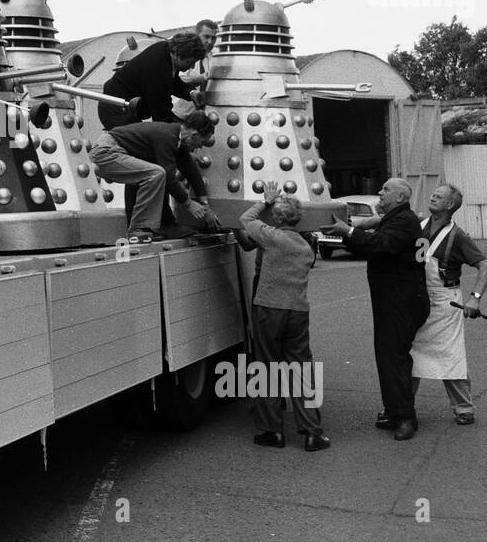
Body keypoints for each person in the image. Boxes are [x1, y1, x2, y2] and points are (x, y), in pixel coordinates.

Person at [321, 177, 430, 441]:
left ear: (401, 197)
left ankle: (406, 418)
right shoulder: (396, 218)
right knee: (387, 358)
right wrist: (348, 233)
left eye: (385, 190)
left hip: (402, 302)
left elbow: (379, 246)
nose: (379, 193)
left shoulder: (404, 221)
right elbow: (372, 245)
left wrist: (347, 232)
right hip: (393, 301)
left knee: (395, 359)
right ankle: (395, 411)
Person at [238, 181, 329, 451]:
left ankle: (272, 431)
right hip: (298, 311)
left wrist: (265, 201)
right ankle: (313, 432)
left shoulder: (270, 237)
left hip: (269, 308)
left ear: (276, 218)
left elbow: (245, 219)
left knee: (266, 367)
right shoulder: (306, 248)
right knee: (301, 370)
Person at [412, 183, 487, 425]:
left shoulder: (458, 236)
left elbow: (486, 266)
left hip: (445, 302)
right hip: (417, 300)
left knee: (451, 355)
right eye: (433, 193)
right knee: (408, 353)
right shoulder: (419, 226)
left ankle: (464, 408)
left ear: (450, 205)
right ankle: (402, 406)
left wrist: (475, 298)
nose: (433, 196)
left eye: (440, 195)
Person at [91, 111, 219, 241]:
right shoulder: (167, 136)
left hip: (113, 150)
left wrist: (205, 206)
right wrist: (189, 203)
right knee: (156, 173)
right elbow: (169, 177)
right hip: (105, 152)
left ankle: (154, 225)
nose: (201, 146)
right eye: (202, 142)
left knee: (151, 173)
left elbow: (191, 172)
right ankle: (138, 229)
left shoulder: (176, 137)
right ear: (194, 135)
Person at [98, 31, 204, 130]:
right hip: (116, 108)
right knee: (139, 144)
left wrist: (191, 92)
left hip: (126, 105)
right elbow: (161, 114)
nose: (192, 66)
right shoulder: (158, 66)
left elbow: (172, 82)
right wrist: (178, 131)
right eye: (189, 62)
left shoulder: (167, 50)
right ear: (177, 55)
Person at [173, 19, 219, 118]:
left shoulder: (218, 58)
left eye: (214, 38)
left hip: (207, 117)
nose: (210, 42)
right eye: (206, 37)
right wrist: (201, 78)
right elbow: (176, 81)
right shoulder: (183, 53)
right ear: (197, 35)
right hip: (182, 116)